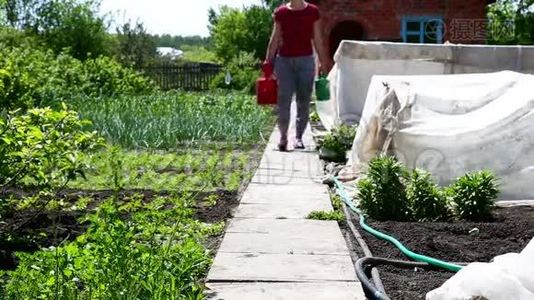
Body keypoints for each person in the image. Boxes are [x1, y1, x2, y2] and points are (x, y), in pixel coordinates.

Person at [264, 0, 332, 151]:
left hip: (306, 61)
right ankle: (283, 137)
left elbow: (318, 38)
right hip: (284, 62)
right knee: (284, 100)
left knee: (304, 100)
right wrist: (268, 61)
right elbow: (274, 38)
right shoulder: (281, 12)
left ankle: (299, 137)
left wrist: (322, 62)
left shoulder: (312, 11)